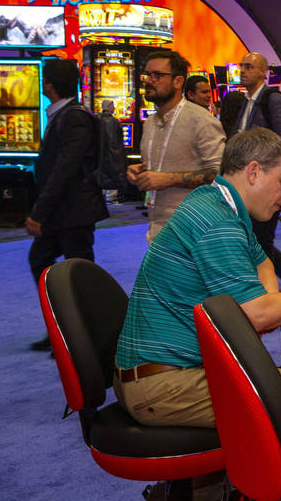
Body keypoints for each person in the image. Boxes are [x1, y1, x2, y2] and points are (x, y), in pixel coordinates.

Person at [115, 128, 281, 428]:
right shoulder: (217, 222)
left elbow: (263, 263)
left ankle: (219, 475)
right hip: (163, 386)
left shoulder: (217, 201)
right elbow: (256, 314)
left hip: (164, 374)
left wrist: (266, 306)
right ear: (253, 171)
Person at [27, 59, 108, 351]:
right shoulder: (64, 115)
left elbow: (65, 168)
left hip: (74, 209)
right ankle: (63, 328)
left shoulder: (74, 117)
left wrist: (39, 212)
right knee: (43, 262)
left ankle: (84, 334)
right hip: (63, 209)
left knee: (78, 270)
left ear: (48, 84)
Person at [127, 50, 225, 243]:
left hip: (195, 230)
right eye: (147, 74)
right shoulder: (150, 123)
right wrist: (138, 171)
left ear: (178, 81)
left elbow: (221, 175)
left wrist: (168, 179)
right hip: (157, 227)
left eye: (157, 75)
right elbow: (160, 167)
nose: (149, 80)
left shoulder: (200, 120)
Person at [235, 52, 281, 285]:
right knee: (255, 242)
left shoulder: (272, 100)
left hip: (266, 186)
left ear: (263, 72)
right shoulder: (247, 101)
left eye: (249, 67)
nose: (242, 71)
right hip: (248, 185)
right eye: (242, 66)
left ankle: (270, 292)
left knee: (261, 242)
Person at [97, 100, 126, 204]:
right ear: (109, 106)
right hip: (111, 153)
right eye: (113, 105)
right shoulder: (113, 121)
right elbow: (114, 140)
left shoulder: (96, 119)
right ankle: (111, 198)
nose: (114, 108)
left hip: (99, 154)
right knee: (112, 175)